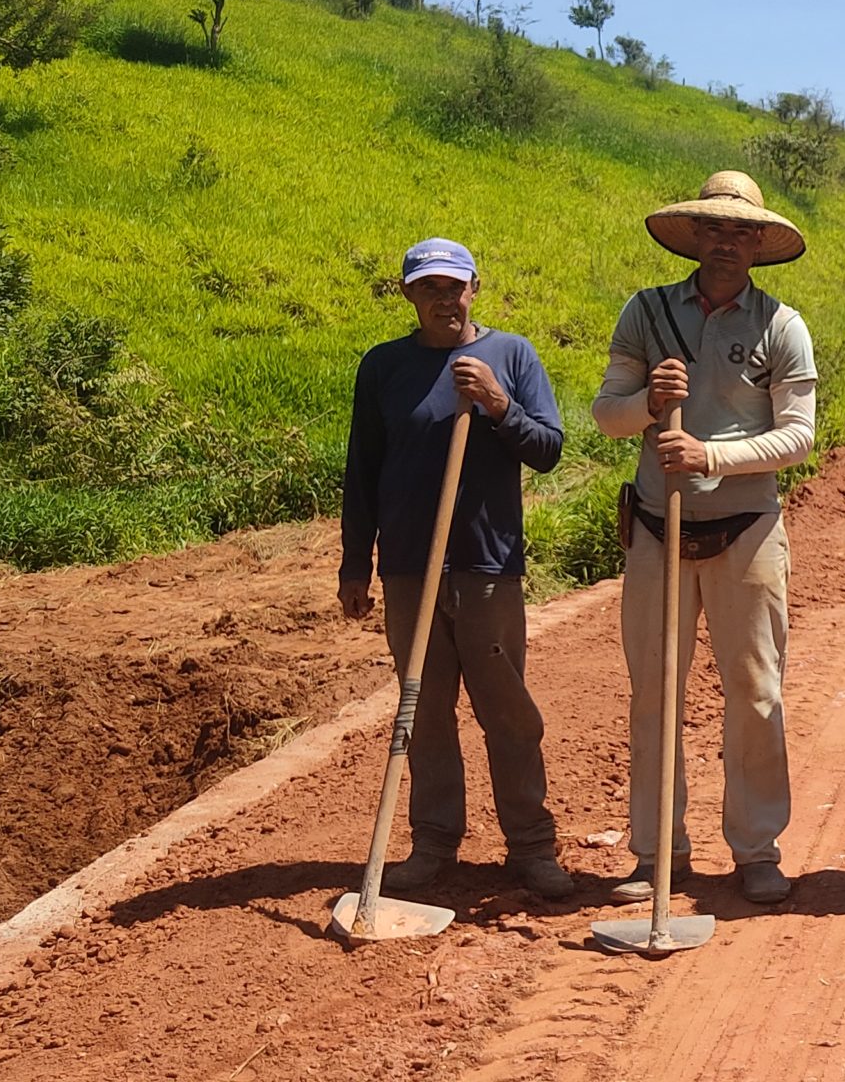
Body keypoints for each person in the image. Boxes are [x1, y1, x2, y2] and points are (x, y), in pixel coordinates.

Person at [590, 171, 817, 906]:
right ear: (696, 236)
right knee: (656, 690)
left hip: (747, 530)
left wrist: (712, 455)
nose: (727, 241)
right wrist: (648, 406)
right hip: (658, 528)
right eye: (714, 229)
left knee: (754, 692)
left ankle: (756, 849)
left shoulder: (781, 325)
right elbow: (606, 414)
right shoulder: (647, 313)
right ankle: (658, 852)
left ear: (758, 242)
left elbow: (800, 436)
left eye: (741, 230)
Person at [340, 237, 572, 900]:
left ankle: (531, 846)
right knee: (425, 712)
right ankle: (434, 845)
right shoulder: (383, 367)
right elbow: (363, 472)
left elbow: (549, 449)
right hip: (410, 569)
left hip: (486, 566)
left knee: (508, 712)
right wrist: (357, 563)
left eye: (455, 287)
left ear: (475, 289)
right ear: (409, 295)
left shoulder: (511, 355)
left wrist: (499, 406)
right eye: (429, 288)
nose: (444, 299)